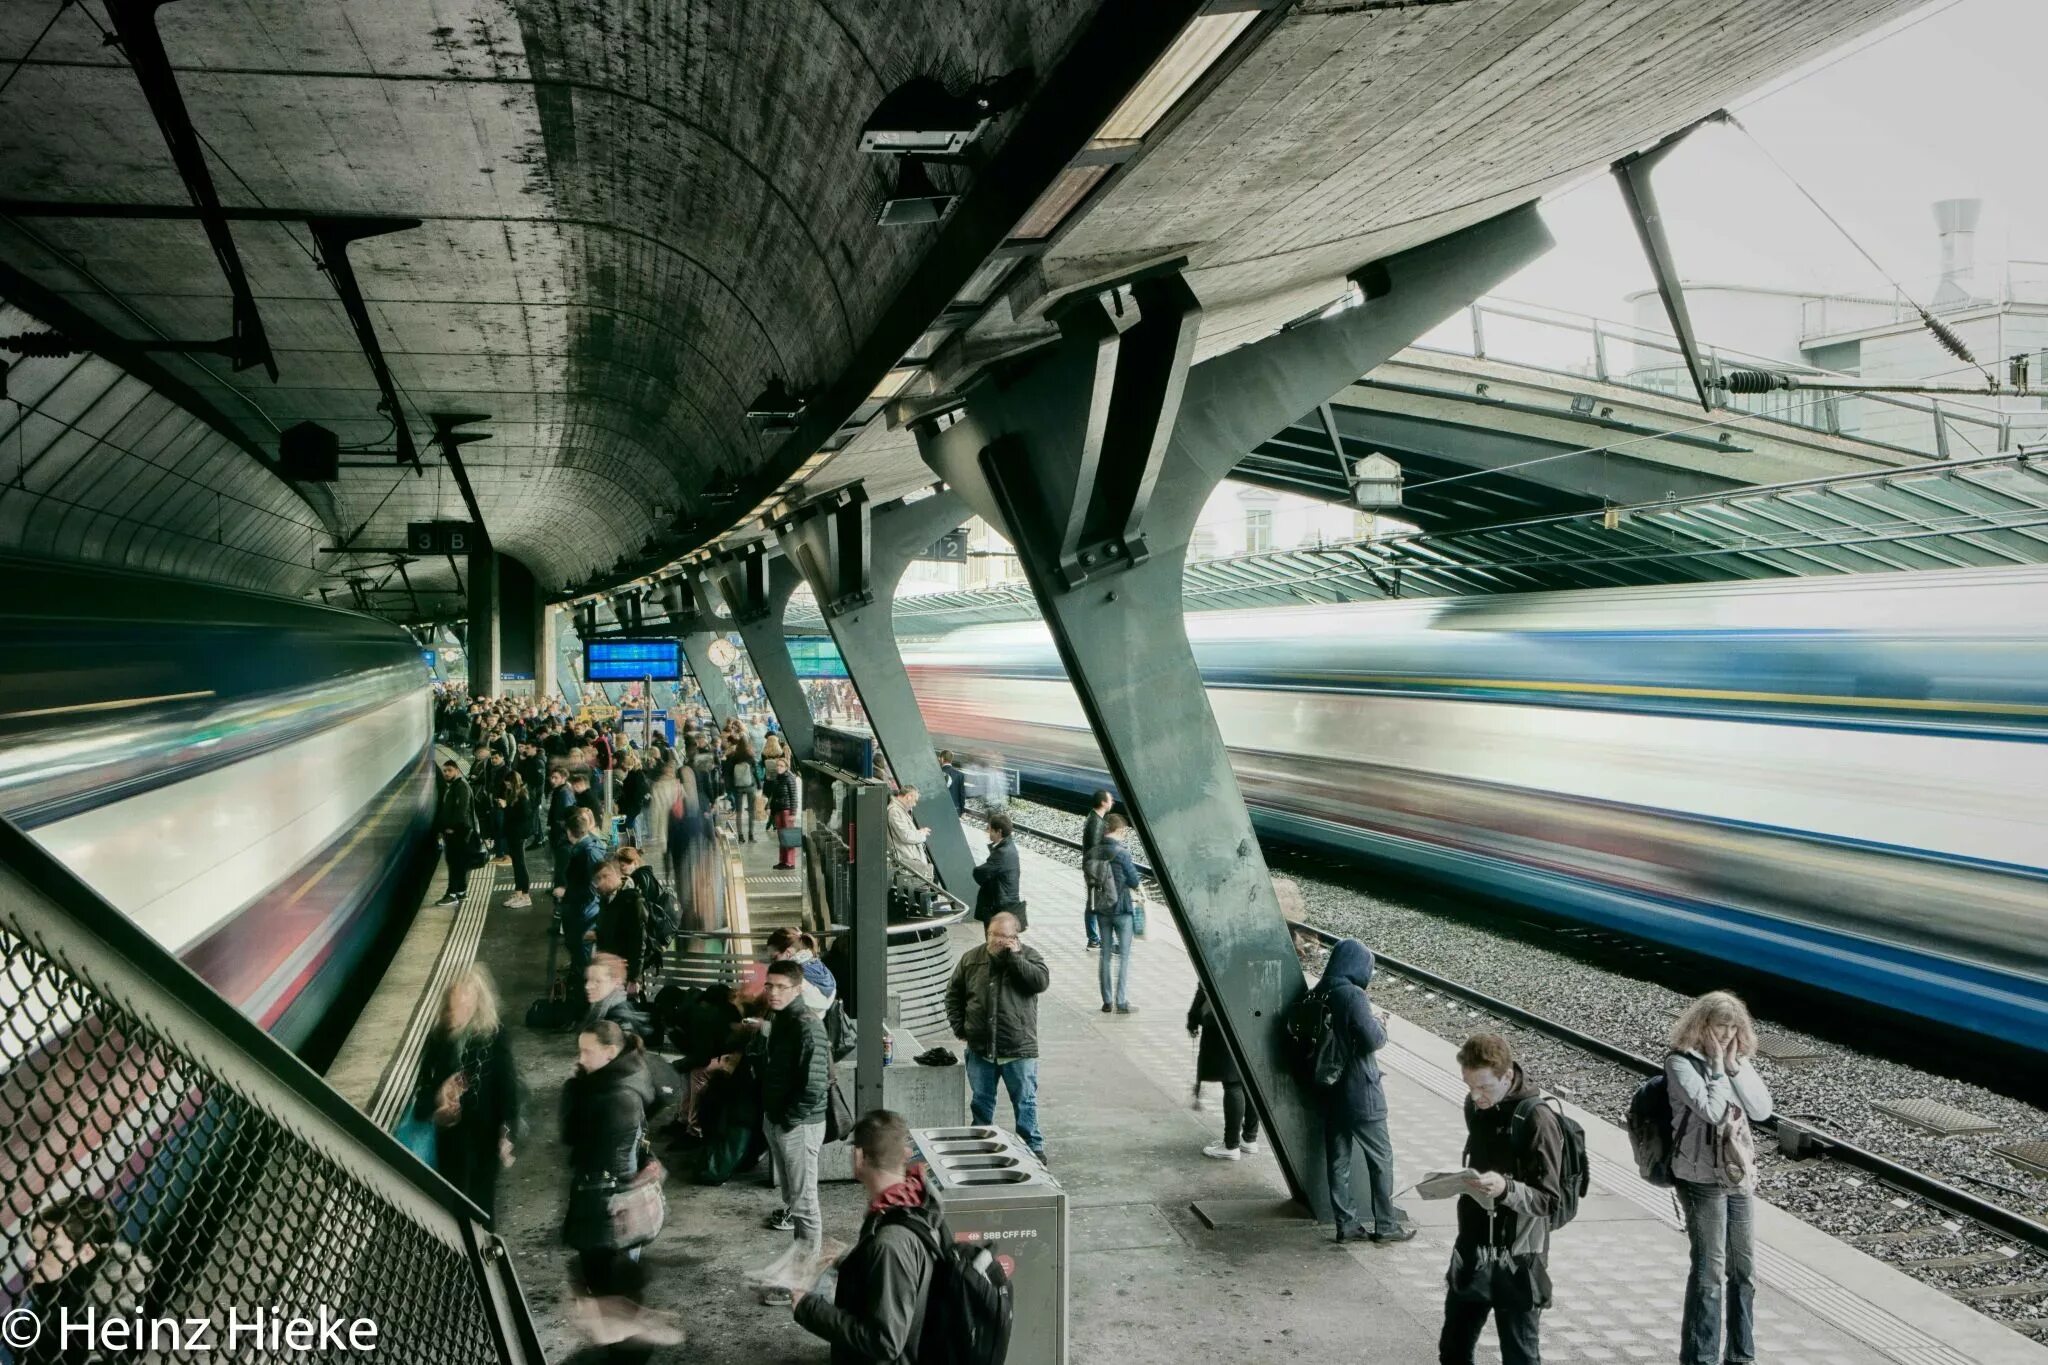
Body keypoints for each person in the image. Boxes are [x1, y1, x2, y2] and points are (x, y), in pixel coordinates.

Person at [1441, 1033, 1567, 1365]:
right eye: (1469, 1086)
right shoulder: (1476, 1106)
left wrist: (1507, 1189)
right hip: (1473, 1245)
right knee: (1453, 1349)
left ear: (1507, 1076)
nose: (1475, 1096)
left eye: (1484, 1087)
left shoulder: (1538, 1119)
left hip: (1518, 1254)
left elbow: (1550, 1201)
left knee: (1519, 1354)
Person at [1668, 991, 1773, 1365]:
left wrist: (1733, 1067)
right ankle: (1701, 1358)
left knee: (1744, 1272)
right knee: (1710, 1272)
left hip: (1735, 1176)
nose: (1727, 1034)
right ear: (1701, 1025)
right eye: (1719, 1026)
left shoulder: (1736, 1061)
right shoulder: (1680, 1064)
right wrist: (1715, 1069)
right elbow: (1712, 1111)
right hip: (1699, 1178)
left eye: (1733, 1027)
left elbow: (1761, 1111)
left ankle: (1741, 1356)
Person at [560, 1019, 673, 1358]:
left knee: (611, 1290)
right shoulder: (610, 1083)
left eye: (586, 1051)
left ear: (609, 1052)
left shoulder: (615, 1097)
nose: (579, 1057)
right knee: (613, 1288)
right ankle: (630, 1343)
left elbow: (593, 1152)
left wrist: (576, 1091)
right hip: (609, 1205)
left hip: (609, 1208)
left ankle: (633, 1348)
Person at [792, 1109, 940, 1365]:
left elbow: (884, 1343)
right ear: (904, 1156)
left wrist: (807, 1306)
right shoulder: (910, 1205)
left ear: (858, 1157)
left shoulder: (890, 1243)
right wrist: (850, 1259)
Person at [413, 963, 523, 1218]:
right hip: (450, 1140)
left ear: (478, 1004)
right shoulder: (439, 1039)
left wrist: (507, 1134)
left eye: (466, 1004)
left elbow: (507, 1090)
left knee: (481, 1208)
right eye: (454, 1004)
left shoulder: (494, 1037)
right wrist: (439, 1099)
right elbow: (421, 1099)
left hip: (484, 1140)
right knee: (451, 1209)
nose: (459, 1011)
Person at [1322, 938, 1413, 1243]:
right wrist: (1381, 1023)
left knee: (1338, 1161)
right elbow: (1373, 1040)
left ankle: (1345, 1224)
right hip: (1361, 1093)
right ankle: (1386, 1226)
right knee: (1381, 1159)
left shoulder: (1319, 991)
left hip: (1331, 1092)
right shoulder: (1353, 995)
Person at [944, 910, 1049, 1162]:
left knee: (1025, 1103)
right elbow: (953, 995)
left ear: (1016, 937)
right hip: (980, 1048)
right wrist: (962, 1028)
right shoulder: (972, 959)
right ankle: (980, 1143)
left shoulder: (1030, 956)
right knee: (981, 1102)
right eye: (993, 935)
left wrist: (1015, 959)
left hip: (1018, 1048)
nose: (997, 941)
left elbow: (1040, 983)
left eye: (1004, 936)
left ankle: (1032, 1147)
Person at [754, 960, 829, 1271]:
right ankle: (800, 1264)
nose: (773, 992)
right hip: (781, 1120)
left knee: (804, 1202)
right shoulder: (781, 1017)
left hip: (799, 1124)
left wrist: (787, 1120)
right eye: (769, 985)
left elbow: (815, 1084)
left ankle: (804, 1275)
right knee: (794, 1198)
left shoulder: (806, 1024)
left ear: (798, 989)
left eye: (782, 987)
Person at [18, 1196, 153, 1365]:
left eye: (50, 1247)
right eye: (34, 1243)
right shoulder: (56, 1295)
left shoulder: (106, 1318)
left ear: (87, 1252)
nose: (30, 1257)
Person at [1188, 986, 1259, 1159]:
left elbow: (1206, 984)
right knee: (1251, 1080)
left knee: (1233, 1082)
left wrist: (1193, 1017)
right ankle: (1249, 1138)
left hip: (1227, 1018)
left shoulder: (1225, 958)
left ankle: (1230, 1145)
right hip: (1256, 1015)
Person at [1084, 814, 1143, 1014]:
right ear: (1118, 830)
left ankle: (1107, 1002)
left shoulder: (1093, 852)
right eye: (1124, 832)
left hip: (1102, 910)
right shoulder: (1122, 853)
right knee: (1124, 957)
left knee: (1105, 955)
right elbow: (1134, 881)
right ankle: (1122, 1001)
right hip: (1122, 910)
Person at [558, 807, 608, 985]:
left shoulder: (587, 852)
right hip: (582, 907)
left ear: (571, 832)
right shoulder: (587, 847)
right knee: (578, 946)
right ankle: (579, 973)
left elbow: (596, 884)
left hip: (584, 910)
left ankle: (584, 984)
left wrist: (570, 893)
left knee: (583, 948)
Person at [593, 857, 648, 989]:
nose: (596, 886)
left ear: (609, 877)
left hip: (624, 972)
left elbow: (639, 941)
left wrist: (634, 978)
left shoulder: (632, 901)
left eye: (598, 880)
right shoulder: (606, 899)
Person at [491, 761, 533, 908]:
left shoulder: (523, 796)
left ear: (513, 783)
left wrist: (506, 806)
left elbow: (523, 815)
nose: (507, 786)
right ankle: (518, 892)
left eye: (508, 784)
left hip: (519, 835)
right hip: (512, 834)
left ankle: (526, 896)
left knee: (520, 864)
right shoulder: (514, 794)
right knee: (516, 863)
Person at [768, 926, 837, 1013]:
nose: (772, 963)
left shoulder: (793, 980)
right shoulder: (817, 964)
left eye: (774, 958)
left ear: (788, 953)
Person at [435, 757, 475, 905]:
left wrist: (451, 828)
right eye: (444, 771)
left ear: (457, 771)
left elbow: (461, 811)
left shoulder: (461, 787)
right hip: (457, 831)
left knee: (454, 863)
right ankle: (461, 892)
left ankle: (451, 894)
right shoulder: (454, 786)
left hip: (459, 832)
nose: (446, 773)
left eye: (449, 770)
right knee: (458, 863)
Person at [971, 811, 1022, 926]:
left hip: (999, 905)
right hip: (1007, 902)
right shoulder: (1009, 846)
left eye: (990, 829)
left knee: (994, 940)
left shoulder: (1002, 853)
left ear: (999, 832)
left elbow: (980, 873)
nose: (988, 832)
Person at [583, 952, 649, 1039]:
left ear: (616, 983)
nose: (587, 986)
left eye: (597, 981)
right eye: (588, 979)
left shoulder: (618, 1023)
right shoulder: (601, 1010)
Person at [1080, 789, 1112, 949]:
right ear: (1103, 802)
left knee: (1094, 902)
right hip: (1095, 870)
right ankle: (1093, 939)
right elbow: (1094, 851)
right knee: (1093, 903)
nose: (1112, 801)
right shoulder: (1096, 823)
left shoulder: (1096, 819)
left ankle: (1095, 938)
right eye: (1110, 799)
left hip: (1094, 868)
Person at [885, 785, 932, 877]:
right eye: (915, 801)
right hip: (905, 861)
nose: (915, 804)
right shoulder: (895, 811)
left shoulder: (899, 809)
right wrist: (922, 835)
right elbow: (905, 836)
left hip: (908, 860)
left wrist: (919, 832)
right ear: (908, 796)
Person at [764, 755, 800, 871]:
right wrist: (769, 807)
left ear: (786, 767)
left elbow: (794, 796)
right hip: (778, 809)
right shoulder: (777, 778)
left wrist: (793, 813)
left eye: (781, 766)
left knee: (788, 836)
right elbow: (773, 795)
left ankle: (790, 862)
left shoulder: (790, 778)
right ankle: (782, 861)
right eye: (777, 765)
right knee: (781, 836)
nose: (779, 768)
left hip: (787, 810)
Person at [726, 739, 758, 842]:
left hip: (737, 787)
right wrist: (760, 786)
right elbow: (755, 772)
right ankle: (751, 835)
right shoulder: (750, 757)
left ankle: (740, 836)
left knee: (739, 812)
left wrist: (730, 788)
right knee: (751, 812)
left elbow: (729, 774)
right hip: (750, 786)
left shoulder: (733, 757)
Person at [938, 751, 967, 816]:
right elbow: (962, 795)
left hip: (940, 809)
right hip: (955, 810)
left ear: (942, 759)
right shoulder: (960, 775)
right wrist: (962, 811)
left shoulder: (937, 774)